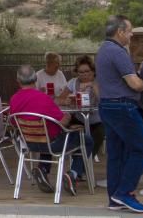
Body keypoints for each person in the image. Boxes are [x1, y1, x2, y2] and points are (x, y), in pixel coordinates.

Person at [96, 15, 143, 213]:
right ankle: (125, 192)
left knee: (116, 154)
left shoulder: (102, 51)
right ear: (120, 32)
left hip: (107, 107)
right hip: (122, 107)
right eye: (129, 31)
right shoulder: (118, 52)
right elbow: (134, 84)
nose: (132, 35)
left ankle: (114, 199)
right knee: (142, 149)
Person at [9, 64, 93, 196]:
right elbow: (62, 122)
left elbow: (13, 122)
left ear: (18, 81)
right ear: (36, 79)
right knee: (86, 140)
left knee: (47, 133)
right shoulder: (44, 98)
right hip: (52, 144)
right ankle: (73, 174)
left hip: (28, 143)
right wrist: (68, 116)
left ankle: (42, 169)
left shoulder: (14, 99)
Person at [58, 55, 104, 159]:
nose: (84, 75)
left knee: (97, 135)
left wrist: (93, 86)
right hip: (79, 118)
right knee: (62, 126)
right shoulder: (73, 82)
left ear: (93, 71)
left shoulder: (100, 81)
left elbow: (104, 101)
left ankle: (83, 163)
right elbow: (59, 100)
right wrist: (67, 101)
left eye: (87, 71)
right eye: (80, 72)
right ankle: (69, 156)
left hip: (97, 120)